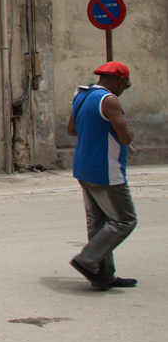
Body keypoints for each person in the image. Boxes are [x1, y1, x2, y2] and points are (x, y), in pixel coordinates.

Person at [67, 61, 139, 289]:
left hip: (83, 167)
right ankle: (87, 260)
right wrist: (128, 130)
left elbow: (71, 130)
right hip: (105, 170)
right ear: (121, 80)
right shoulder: (109, 100)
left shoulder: (81, 95)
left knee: (98, 223)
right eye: (126, 85)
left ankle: (104, 276)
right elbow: (125, 137)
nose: (124, 89)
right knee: (125, 219)